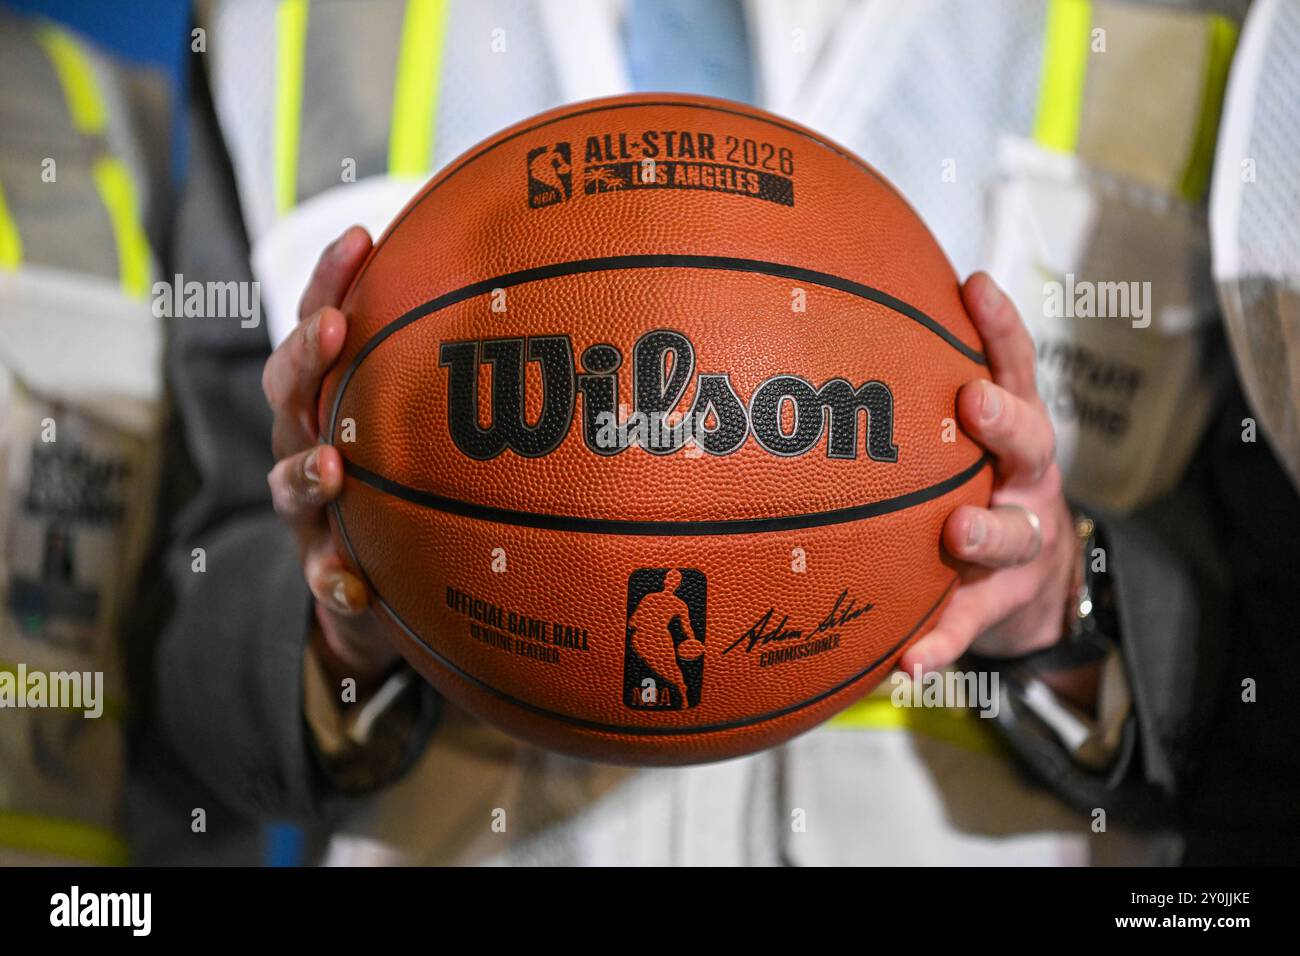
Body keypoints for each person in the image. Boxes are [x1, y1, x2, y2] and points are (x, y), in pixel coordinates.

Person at [151, 0, 1297, 864]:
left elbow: (1261, 640)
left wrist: (1064, 600)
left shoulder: (1213, 29)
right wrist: (346, 631)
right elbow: (193, 624)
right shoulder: (279, 26)